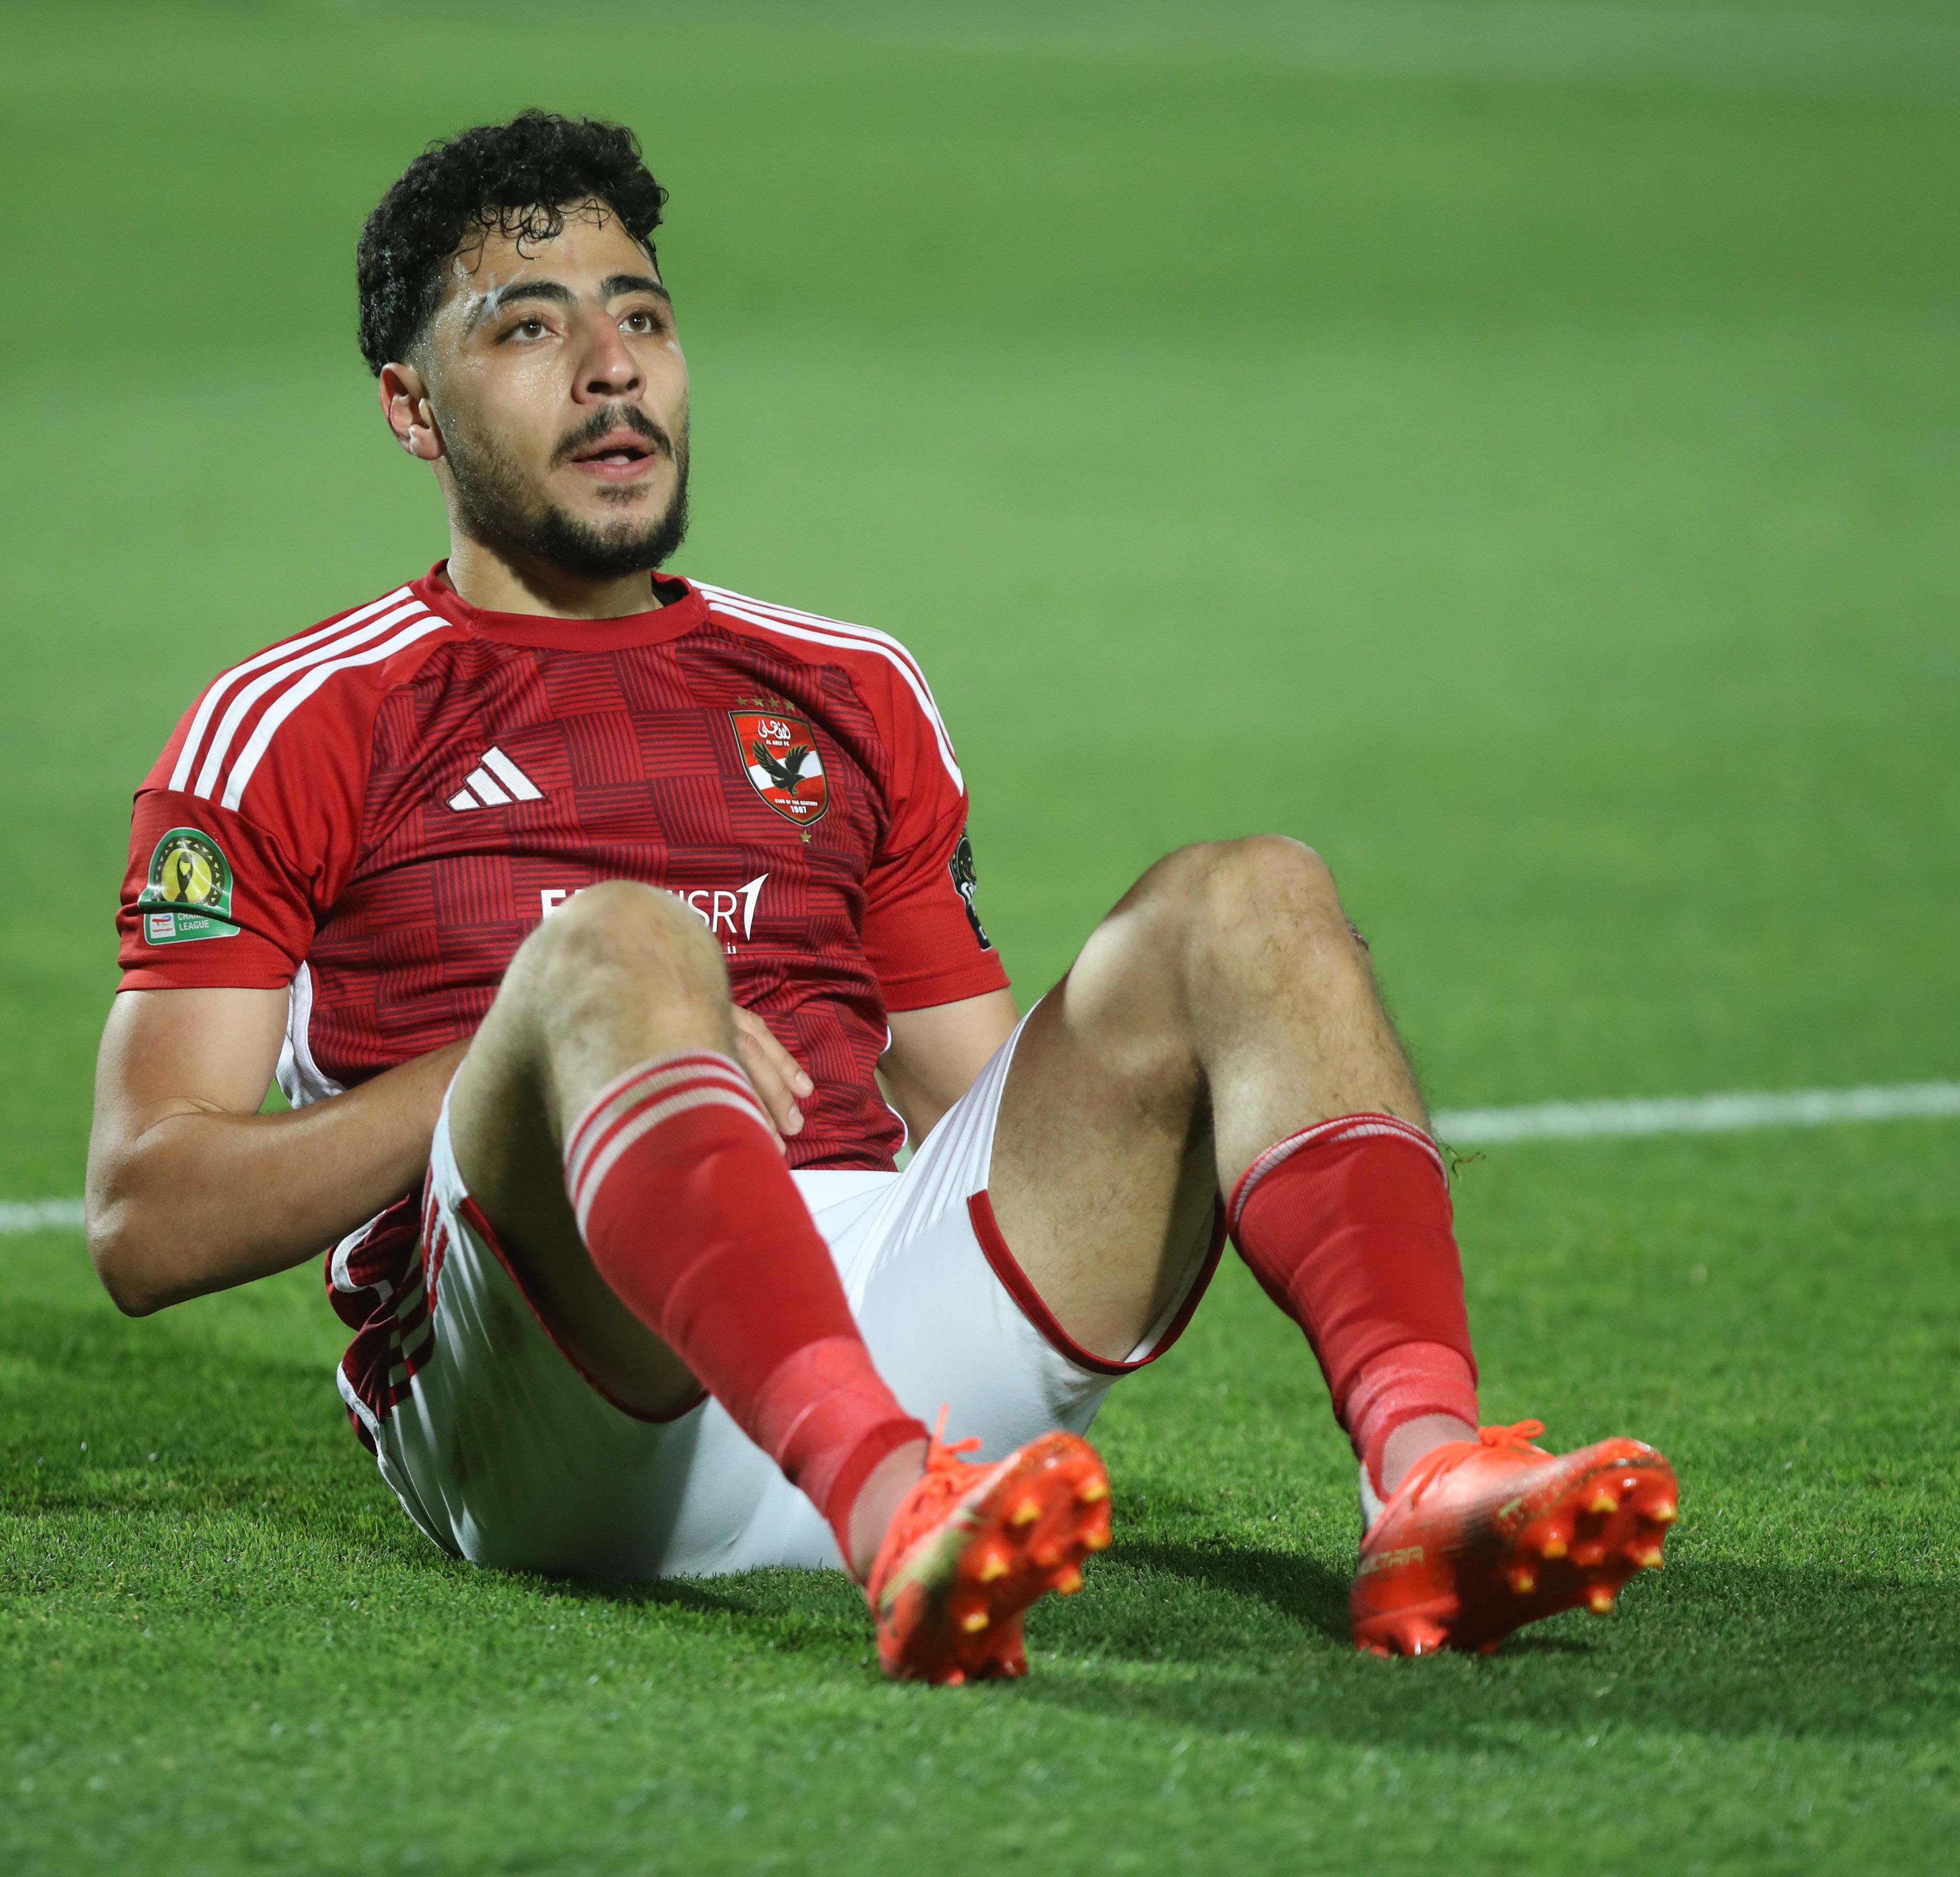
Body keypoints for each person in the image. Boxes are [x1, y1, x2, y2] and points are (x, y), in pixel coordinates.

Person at [84, 111, 1679, 1683]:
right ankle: (886, 1504)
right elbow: (144, 1220)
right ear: (410, 409)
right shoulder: (299, 719)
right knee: (619, 945)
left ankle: (1428, 1475)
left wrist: (1196, 1085)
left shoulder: (846, 686)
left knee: (1255, 895)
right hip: (549, 1414)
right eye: (530, 328)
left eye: (642, 315)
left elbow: (985, 1104)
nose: (613, 365)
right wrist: (559, 1039)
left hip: (870, 1316)